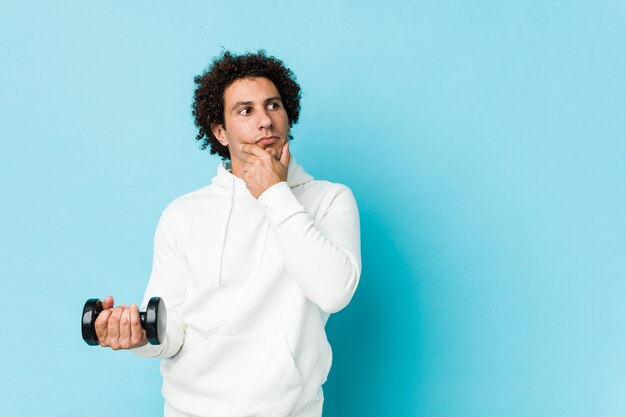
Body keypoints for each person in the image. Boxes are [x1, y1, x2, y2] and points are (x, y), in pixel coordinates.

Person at [94, 50, 361, 417]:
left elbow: (333, 292)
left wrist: (273, 193)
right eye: (245, 110)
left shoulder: (329, 200)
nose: (265, 121)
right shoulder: (184, 214)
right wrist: (139, 337)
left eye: (273, 105)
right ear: (220, 131)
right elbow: (171, 333)